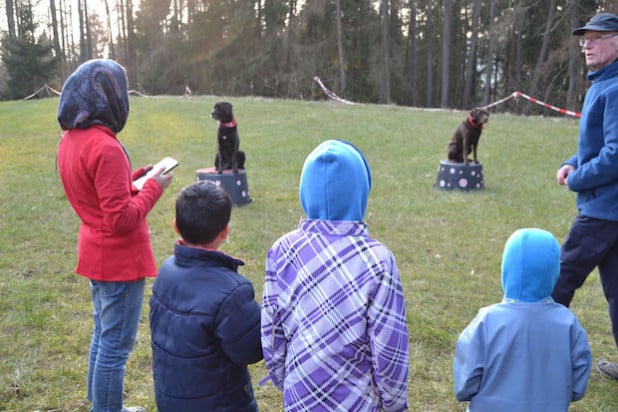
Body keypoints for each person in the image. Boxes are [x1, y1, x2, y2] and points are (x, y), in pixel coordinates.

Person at [57, 59, 174, 412]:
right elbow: (121, 217)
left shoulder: (72, 139)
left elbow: (100, 193)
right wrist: (154, 186)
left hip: (95, 254)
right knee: (115, 348)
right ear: (109, 97)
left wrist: (137, 177)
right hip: (118, 262)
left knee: (102, 337)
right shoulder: (106, 147)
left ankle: (101, 405)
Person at [261, 140, 409, 412]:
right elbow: (390, 348)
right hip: (358, 402)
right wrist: (395, 403)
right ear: (360, 191)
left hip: (300, 397)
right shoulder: (378, 260)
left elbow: (271, 331)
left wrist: (285, 379)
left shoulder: (282, 250)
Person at [149, 180, 263, 411]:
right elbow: (250, 350)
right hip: (220, 404)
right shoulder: (233, 292)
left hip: (170, 398)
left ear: (175, 226)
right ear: (224, 232)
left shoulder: (166, 271)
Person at [454, 228, 592, 411]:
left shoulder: (486, 321)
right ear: (554, 272)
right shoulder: (568, 323)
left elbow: (466, 383)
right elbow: (577, 384)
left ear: (506, 268)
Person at [551, 12, 618, 379]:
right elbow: (600, 145)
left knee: (557, 281)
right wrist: (572, 161)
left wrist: (578, 179)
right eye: (584, 38)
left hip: (603, 211)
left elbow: (616, 155)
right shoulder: (603, 84)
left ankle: (537, 354)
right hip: (609, 210)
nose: (587, 44)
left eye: (597, 37)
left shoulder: (615, 87)